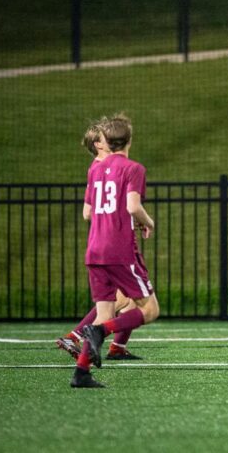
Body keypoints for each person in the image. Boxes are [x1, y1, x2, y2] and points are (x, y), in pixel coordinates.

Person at [72, 115, 160, 388]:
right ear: (129, 140)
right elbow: (133, 206)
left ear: (106, 142)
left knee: (105, 312)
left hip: (94, 250)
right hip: (119, 250)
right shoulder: (133, 168)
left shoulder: (94, 169)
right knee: (150, 309)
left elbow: (88, 213)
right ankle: (100, 333)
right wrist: (148, 222)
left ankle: (81, 373)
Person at [56, 118, 143, 362]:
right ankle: (77, 337)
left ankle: (108, 349)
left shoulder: (105, 167)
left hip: (109, 243)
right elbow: (88, 211)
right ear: (98, 144)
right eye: (105, 137)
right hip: (113, 244)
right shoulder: (101, 169)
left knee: (125, 300)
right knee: (130, 300)